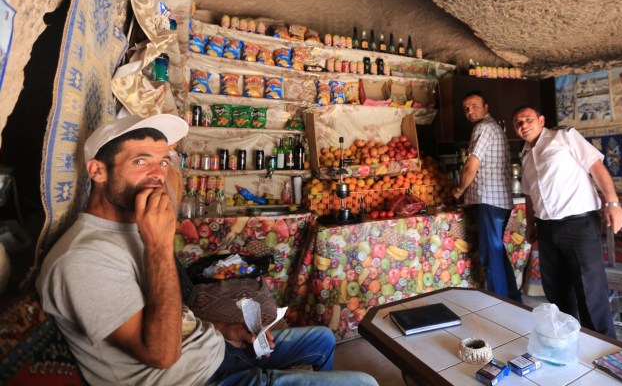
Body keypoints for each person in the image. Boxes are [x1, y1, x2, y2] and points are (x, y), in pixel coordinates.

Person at [36, 114, 378, 386]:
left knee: (321, 338)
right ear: (97, 170)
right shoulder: (82, 260)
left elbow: (171, 314)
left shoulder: (133, 227)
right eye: (141, 162)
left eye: (164, 161)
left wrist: (220, 329)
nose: (158, 175)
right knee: (364, 382)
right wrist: (158, 244)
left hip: (216, 352)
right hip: (199, 378)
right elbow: (161, 355)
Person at [512, 106, 622, 338]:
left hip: (579, 226)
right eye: (518, 123)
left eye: (528, 119)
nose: (523, 125)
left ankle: (604, 349)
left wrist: (613, 203)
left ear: (541, 120)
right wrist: (531, 225)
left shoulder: (563, 137)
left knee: (590, 293)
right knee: (557, 292)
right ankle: (568, 343)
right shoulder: (524, 154)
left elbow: (596, 167)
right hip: (546, 229)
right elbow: (529, 193)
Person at [452, 92, 522, 302]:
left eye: (474, 106)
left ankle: (500, 304)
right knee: (497, 253)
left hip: (489, 200)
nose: (470, 111)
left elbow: (471, 165)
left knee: (491, 256)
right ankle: (513, 300)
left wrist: (459, 190)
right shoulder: (493, 127)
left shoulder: (483, 128)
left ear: (486, 106)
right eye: (466, 108)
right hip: (497, 200)